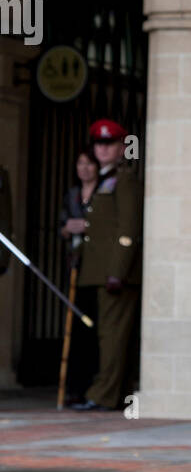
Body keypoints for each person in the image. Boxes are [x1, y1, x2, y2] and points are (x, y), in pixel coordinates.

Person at [73, 120, 143, 412]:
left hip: (115, 274)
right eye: (98, 144)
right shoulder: (103, 180)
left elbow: (128, 229)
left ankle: (103, 394)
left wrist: (118, 270)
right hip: (99, 272)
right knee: (108, 334)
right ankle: (114, 393)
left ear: (121, 147)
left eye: (110, 143)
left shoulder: (123, 179)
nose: (102, 149)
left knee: (112, 336)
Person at [59, 149, 101, 403]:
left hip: (97, 267)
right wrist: (68, 228)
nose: (84, 168)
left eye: (89, 163)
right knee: (74, 328)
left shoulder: (104, 190)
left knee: (94, 326)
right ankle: (73, 389)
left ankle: (93, 388)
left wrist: (88, 226)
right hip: (75, 265)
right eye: (80, 163)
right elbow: (61, 226)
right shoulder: (72, 195)